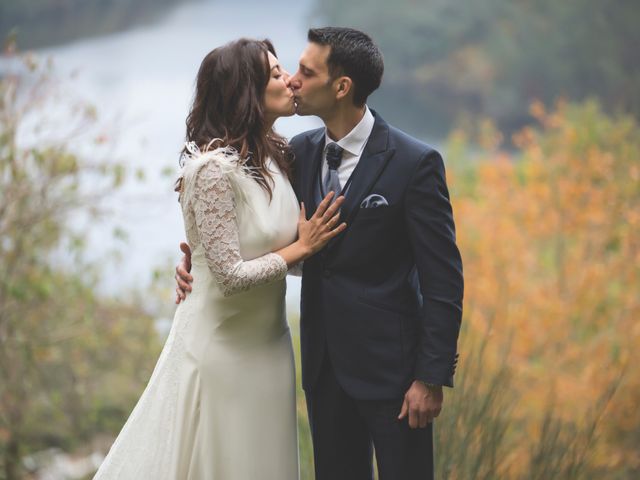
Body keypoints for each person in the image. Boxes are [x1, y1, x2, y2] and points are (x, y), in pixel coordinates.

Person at [176, 27, 464, 480]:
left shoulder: (415, 163)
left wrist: (430, 376)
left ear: (341, 87)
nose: (292, 80)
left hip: (395, 375)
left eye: (305, 73)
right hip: (323, 370)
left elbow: (443, 280)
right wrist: (200, 267)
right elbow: (262, 233)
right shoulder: (296, 154)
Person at [94, 38, 345, 480]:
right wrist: (299, 249)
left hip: (270, 345)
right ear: (245, 90)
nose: (288, 80)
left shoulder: (277, 157)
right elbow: (229, 275)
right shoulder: (210, 169)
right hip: (221, 348)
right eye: (273, 73)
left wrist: (304, 250)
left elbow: (267, 247)